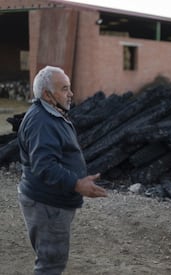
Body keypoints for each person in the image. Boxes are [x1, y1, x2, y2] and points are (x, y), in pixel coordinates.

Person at [17, 65, 108, 274]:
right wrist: (77, 183)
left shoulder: (50, 113)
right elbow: (44, 166)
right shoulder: (42, 122)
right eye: (65, 89)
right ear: (48, 95)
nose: (71, 94)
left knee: (49, 262)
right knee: (50, 265)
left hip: (50, 202)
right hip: (47, 205)